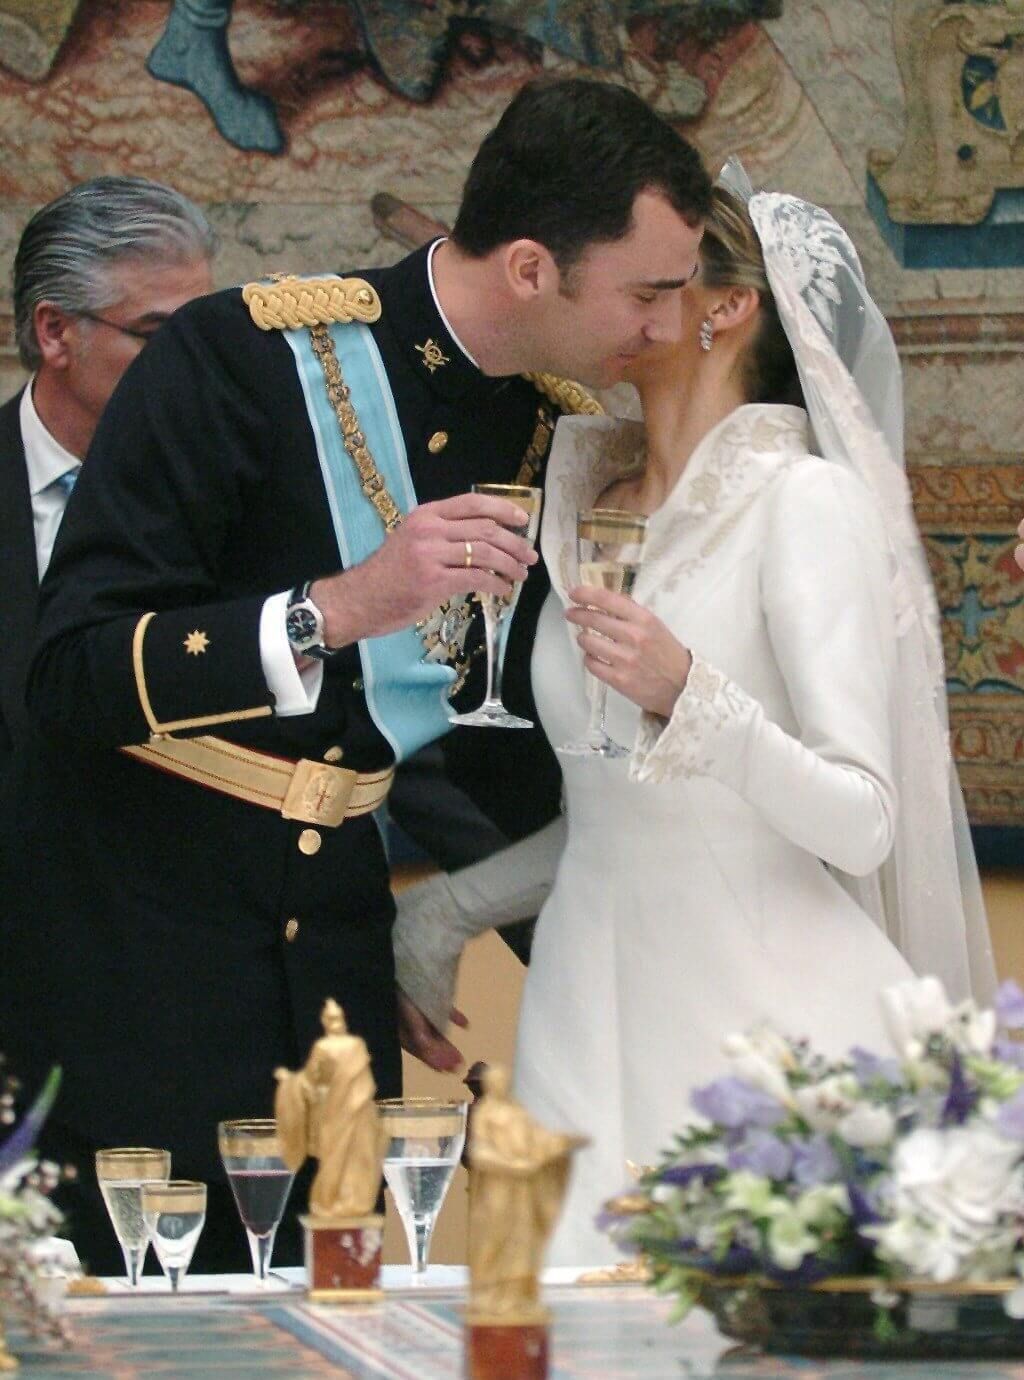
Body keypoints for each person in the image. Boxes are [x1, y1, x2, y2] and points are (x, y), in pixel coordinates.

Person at [0, 77, 710, 1273]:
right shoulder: (244, 355)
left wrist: (613, 968)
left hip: (332, 974)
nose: (666, 326)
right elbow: (71, 675)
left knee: (328, 1327)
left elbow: (488, 743)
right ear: (534, 268)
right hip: (142, 972)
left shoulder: (547, 426)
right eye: (649, 292)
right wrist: (340, 606)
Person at [394, 164, 998, 1266]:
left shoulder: (802, 503)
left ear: (726, 307)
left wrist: (694, 697)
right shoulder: (588, 500)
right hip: (583, 1002)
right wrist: (444, 914)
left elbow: (863, 818)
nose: (619, 303)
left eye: (654, 281)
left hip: (761, 1030)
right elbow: (621, 810)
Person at [1, 176, 215, 787]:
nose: (193, 362)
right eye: (156, 336)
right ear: (55, 332)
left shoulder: (238, 480)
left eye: (203, 332)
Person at [274, 999, 385, 1219]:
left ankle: (354, 1200)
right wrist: (292, 1083)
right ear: (325, 1022)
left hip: (359, 1109)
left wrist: (290, 1082)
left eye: (337, 1018)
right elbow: (311, 1079)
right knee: (334, 1155)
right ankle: (332, 1200)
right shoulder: (323, 1047)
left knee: (360, 1155)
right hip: (333, 1111)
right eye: (330, 1019)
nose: (335, 1022)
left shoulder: (356, 1045)